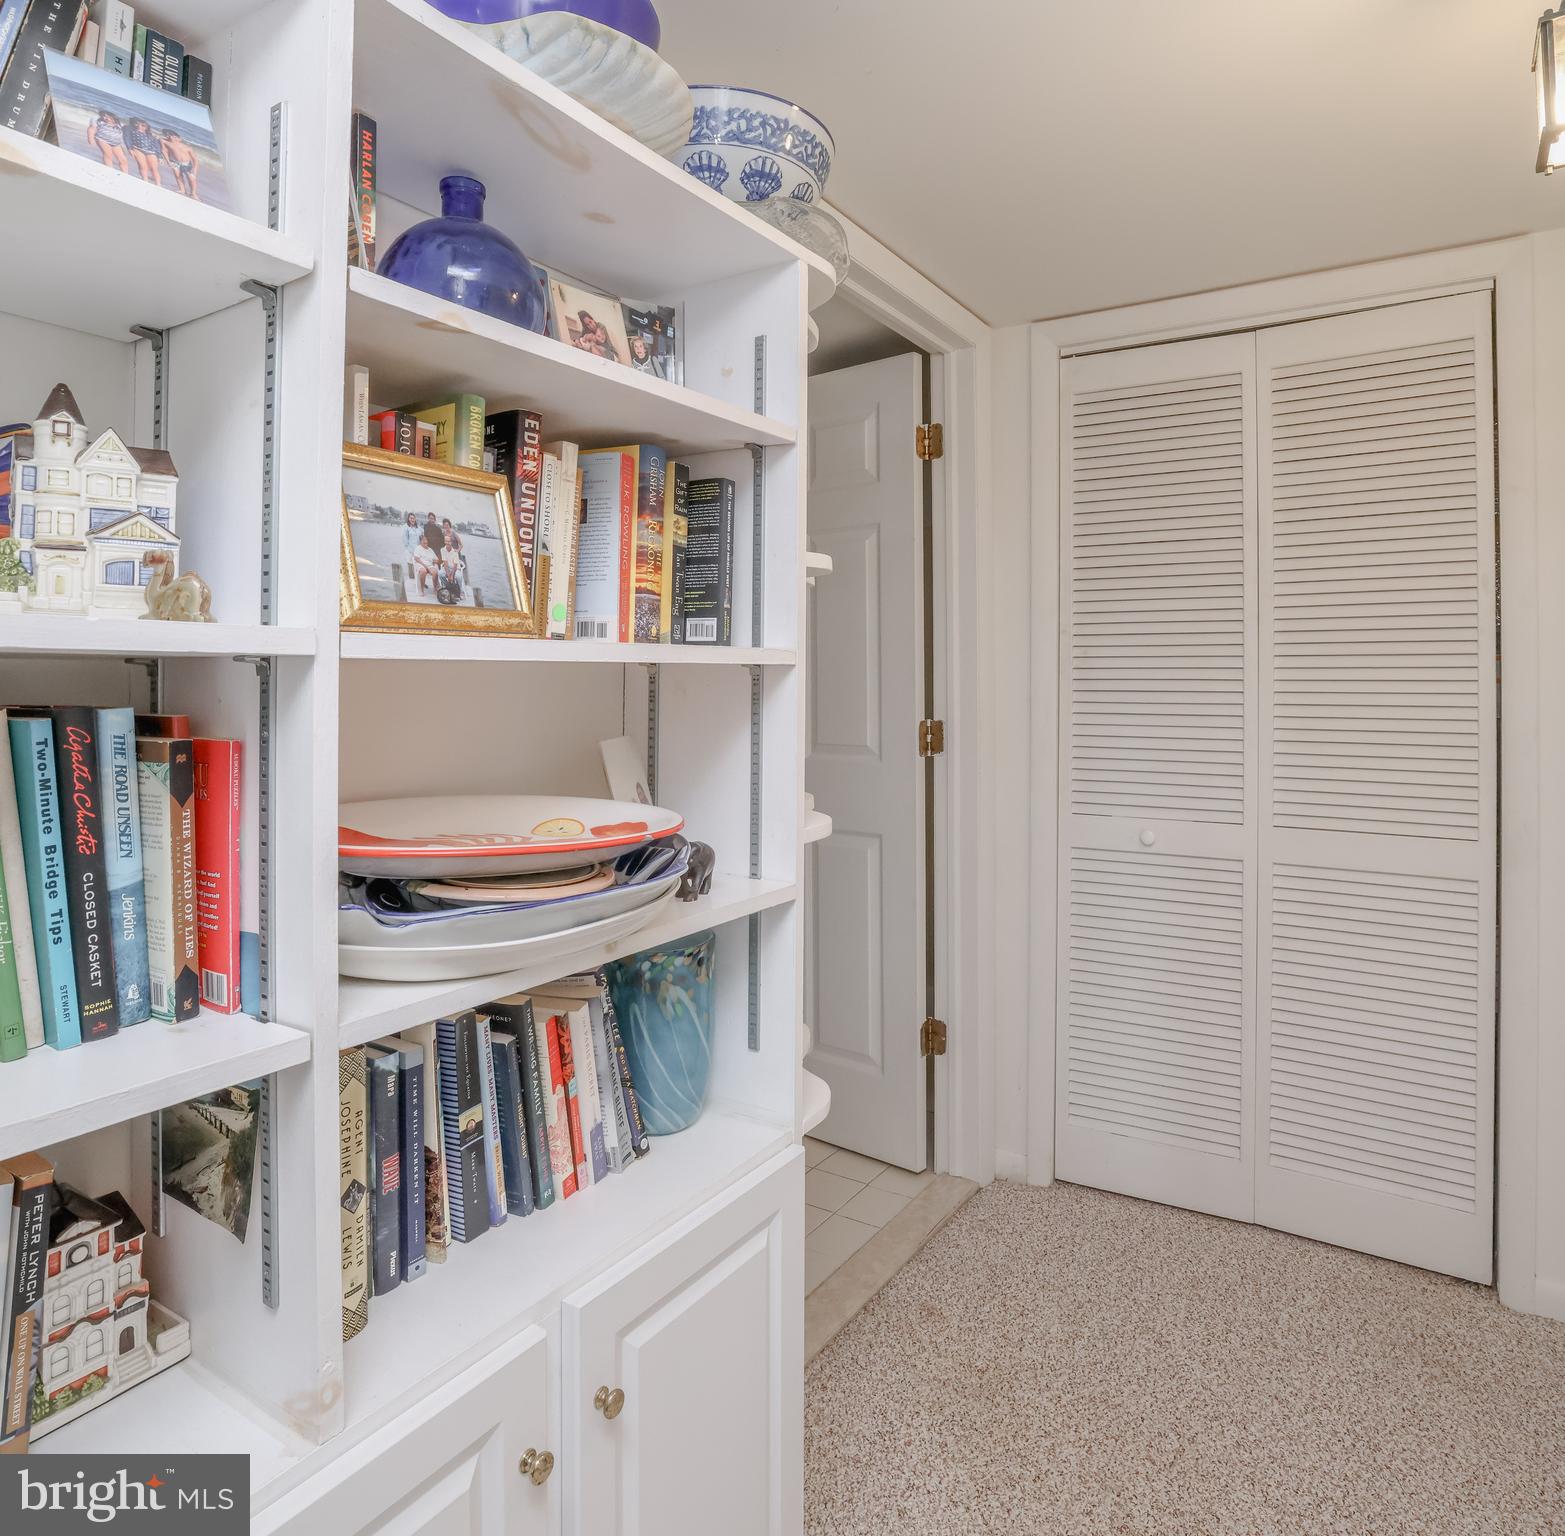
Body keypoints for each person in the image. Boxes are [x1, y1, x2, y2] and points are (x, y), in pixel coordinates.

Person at [160, 130, 200, 200]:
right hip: (175, 162)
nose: (173, 138)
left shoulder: (187, 148)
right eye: (171, 136)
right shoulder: (166, 142)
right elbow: (164, 151)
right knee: (178, 175)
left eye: (175, 137)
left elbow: (195, 160)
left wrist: (194, 170)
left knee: (191, 178)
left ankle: (193, 193)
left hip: (186, 164)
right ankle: (182, 189)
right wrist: (168, 162)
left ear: (180, 139)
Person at [124, 119, 164, 186]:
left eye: (144, 126)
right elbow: (127, 138)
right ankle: (145, 182)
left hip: (151, 151)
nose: (142, 127)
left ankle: (158, 185)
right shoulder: (131, 130)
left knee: (154, 169)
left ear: (147, 127)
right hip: (138, 149)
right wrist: (129, 148)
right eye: (140, 125)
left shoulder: (151, 135)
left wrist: (160, 156)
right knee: (143, 166)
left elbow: (156, 145)